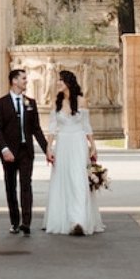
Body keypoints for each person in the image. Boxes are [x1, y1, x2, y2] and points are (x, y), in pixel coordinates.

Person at [44, 68, 104, 236]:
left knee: (78, 179)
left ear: (68, 82)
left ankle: (79, 220)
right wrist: (49, 147)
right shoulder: (56, 102)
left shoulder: (82, 101)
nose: (58, 83)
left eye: (60, 80)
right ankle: (65, 218)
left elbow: (86, 126)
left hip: (78, 143)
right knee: (64, 179)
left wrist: (93, 145)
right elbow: (51, 128)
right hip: (63, 143)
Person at [0, 67, 51, 235]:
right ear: (14, 81)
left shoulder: (30, 103)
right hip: (9, 153)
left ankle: (26, 222)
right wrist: (4, 149)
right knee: (10, 187)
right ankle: (14, 222)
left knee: (26, 185)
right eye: (24, 78)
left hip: (26, 151)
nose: (26, 81)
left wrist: (47, 149)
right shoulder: (1, 103)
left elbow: (36, 129)